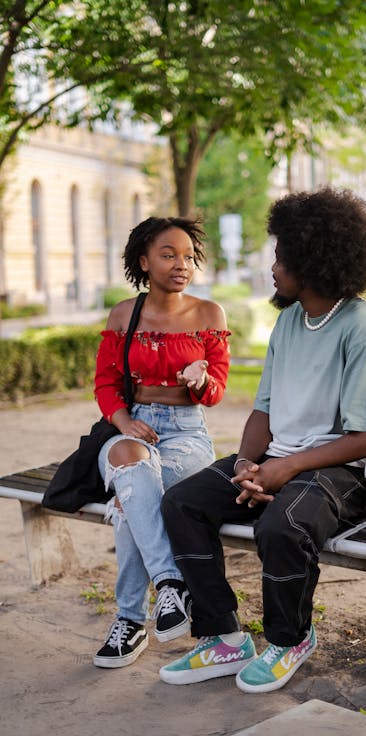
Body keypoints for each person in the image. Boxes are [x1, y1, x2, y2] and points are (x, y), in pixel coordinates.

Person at [159, 187, 366, 693]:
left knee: (283, 524)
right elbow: (264, 409)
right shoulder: (289, 321)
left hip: (341, 473)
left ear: (312, 260)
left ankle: (290, 639)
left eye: (280, 256)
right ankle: (224, 637)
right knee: (183, 502)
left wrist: (286, 468)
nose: (272, 266)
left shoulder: (361, 327)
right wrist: (248, 465)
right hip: (278, 461)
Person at [92, 215, 230, 669]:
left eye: (189, 256)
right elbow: (105, 385)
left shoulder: (209, 315)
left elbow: (216, 393)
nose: (181, 264)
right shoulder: (122, 315)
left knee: (132, 499)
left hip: (186, 434)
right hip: (133, 430)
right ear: (144, 261)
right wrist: (124, 420)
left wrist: (200, 378)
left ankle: (130, 620)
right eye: (168, 255)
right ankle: (171, 585)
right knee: (129, 464)